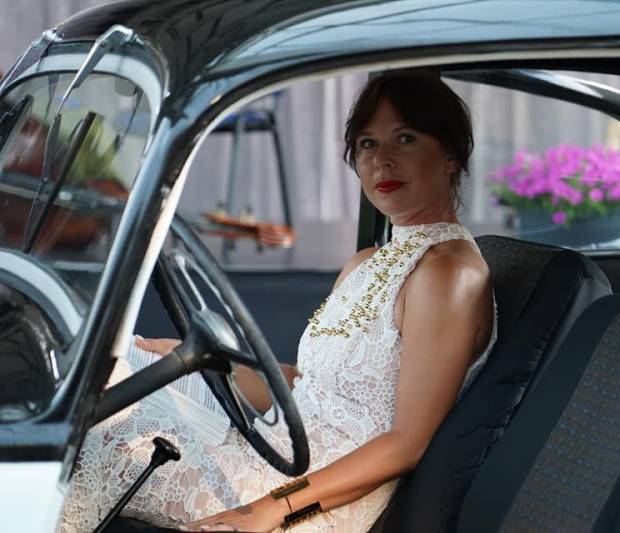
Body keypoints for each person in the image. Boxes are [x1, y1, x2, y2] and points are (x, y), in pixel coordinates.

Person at [59, 72, 497, 533]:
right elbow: (304, 385)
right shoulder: (366, 262)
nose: (381, 160)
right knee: (99, 368)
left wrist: (270, 510)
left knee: (80, 433)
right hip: (266, 445)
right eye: (367, 144)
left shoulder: (449, 274)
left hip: (304, 496)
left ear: (450, 154)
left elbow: (408, 442)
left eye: (404, 139)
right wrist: (197, 364)